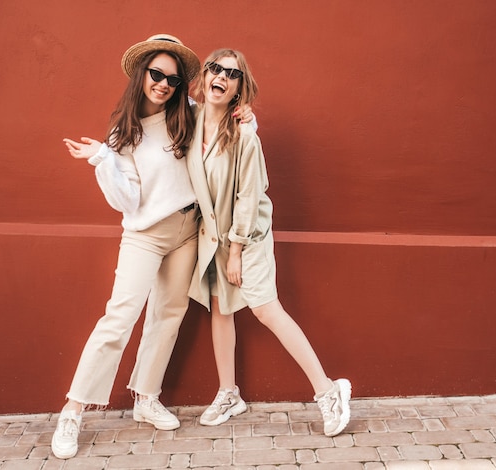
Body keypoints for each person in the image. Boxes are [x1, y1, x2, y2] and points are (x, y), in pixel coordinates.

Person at [51, 34, 253, 460]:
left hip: (189, 228)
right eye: (156, 74)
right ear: (141, 75)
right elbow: (127, 201)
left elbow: (229, 122)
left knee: (169, 314)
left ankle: (145, 397)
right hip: (145, 233)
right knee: (120, 317)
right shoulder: (123, 133)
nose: (163, 84)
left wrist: (245, 115)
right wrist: (103, 160)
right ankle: (73, 410)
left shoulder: (190, 114)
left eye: (173, 79)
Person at [187, 49, 352, 437]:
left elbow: (249, 194)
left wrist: (238, 251)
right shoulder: (190, 121)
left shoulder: (244, 135)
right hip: (212, 237)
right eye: (215, 68)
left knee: (265, 309)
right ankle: (229, 393)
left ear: (239, 90)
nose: (222, 77)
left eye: (232, 74)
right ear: (205, 75)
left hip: (247, 237)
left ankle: (329, 391)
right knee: (221, 308)